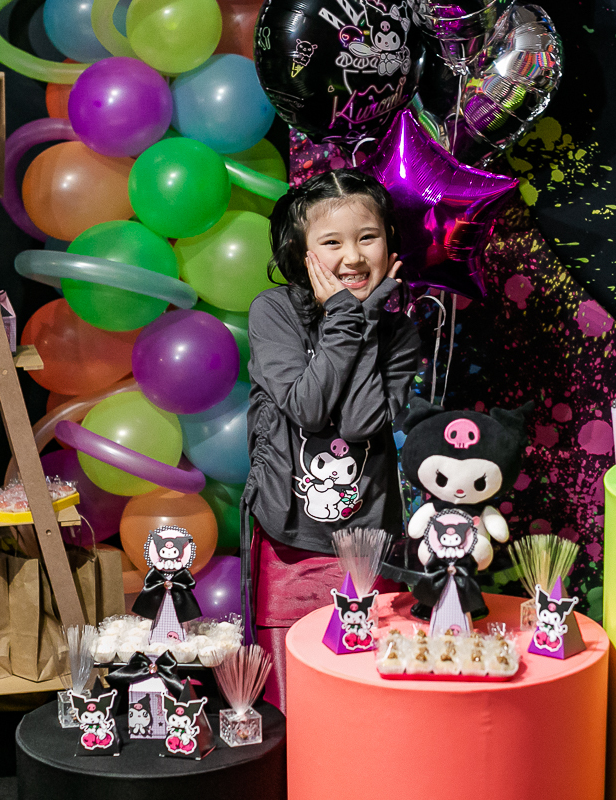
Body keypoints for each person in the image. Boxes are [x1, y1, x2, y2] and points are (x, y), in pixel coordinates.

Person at [241, 169, 420, 710]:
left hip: (370, 543)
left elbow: (362, 424)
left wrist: (365, 319)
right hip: (290, 542)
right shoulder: (274, 313)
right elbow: (306, 406)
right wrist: (347, 316)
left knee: (367, 702)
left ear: (388, 240)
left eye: (367, 237)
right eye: (331, 242)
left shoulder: (402, 331)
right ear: (302, 254)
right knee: (297, 707)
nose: (353, 256)